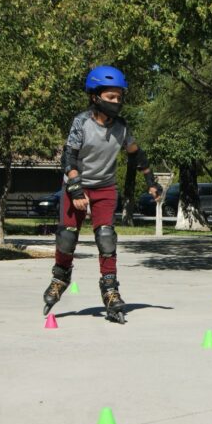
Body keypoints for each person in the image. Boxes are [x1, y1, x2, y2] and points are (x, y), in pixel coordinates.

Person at [42, 65, 161, 324]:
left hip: (105, 188)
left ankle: (110, 291)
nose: (116, 102)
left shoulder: (121, 127)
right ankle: (60, 278)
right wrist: (75, 189)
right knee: (66, 237)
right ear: (95, 97)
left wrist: (151, 182)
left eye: (119, 97)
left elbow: (136, 154)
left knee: (106, 239)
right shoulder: (81, 122)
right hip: (77, 185)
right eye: (111, 97)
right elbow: (69, 157)